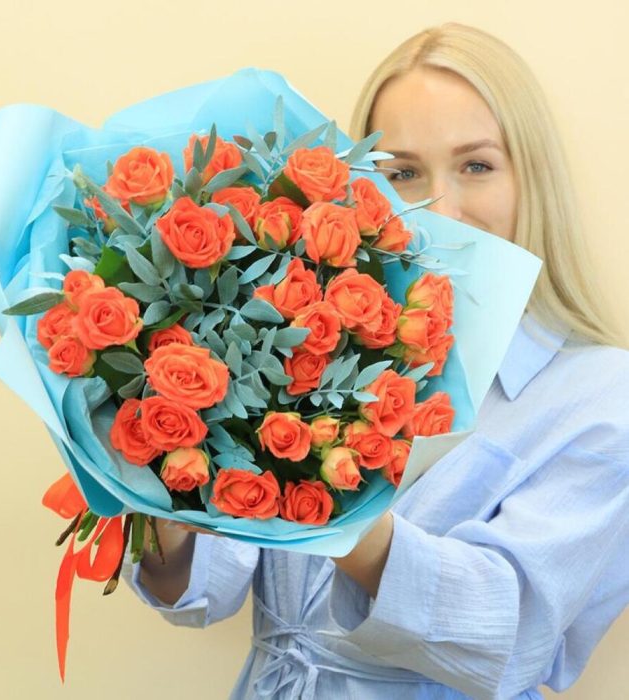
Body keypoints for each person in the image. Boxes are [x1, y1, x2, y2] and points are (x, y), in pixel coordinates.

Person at [120, 22, 629, 699]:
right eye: (403, 173)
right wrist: (158, 478)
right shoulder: (316, 339)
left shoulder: (601, 393)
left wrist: (339, 515)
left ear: (532, 179)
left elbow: (512, 628)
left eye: (477, 165)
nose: (441, 209)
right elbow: (205, 587)